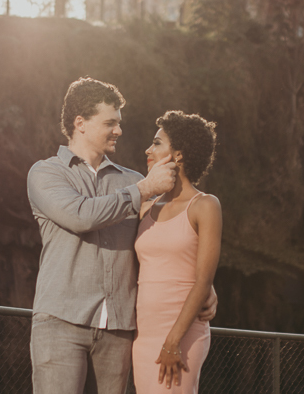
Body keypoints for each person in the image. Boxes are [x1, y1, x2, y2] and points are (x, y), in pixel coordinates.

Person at [27, 78, 216, 394]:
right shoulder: (46, 173)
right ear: (80, 123)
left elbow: (162, 243)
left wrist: (204, 285)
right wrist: (143, 190)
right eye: (110, 123)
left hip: (119, 331)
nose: (119, 130)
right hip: (61, 322)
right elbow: (81, 215)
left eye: (119, 123)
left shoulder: (134, 180)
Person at [132, 111, 222, 393]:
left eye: (157, 143)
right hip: (143, 335)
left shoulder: (205, 206)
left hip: (182, 334)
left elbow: (203, 280)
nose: (148, 150)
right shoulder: (146, 207)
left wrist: (173, 341)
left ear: (179, 154)